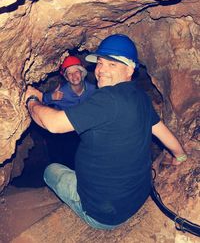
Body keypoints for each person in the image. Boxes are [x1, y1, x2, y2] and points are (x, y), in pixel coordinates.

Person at [25, 34, 188, 230]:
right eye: (100, 63)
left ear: (130, 69)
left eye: (112, 64)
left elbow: (52, 124)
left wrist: (32, 100)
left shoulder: (105, 98)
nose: (101, 70)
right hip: (138, 196)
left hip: (104, 214)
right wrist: (180, 156)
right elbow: (163, 133)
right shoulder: (141, 98)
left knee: (51, 170)